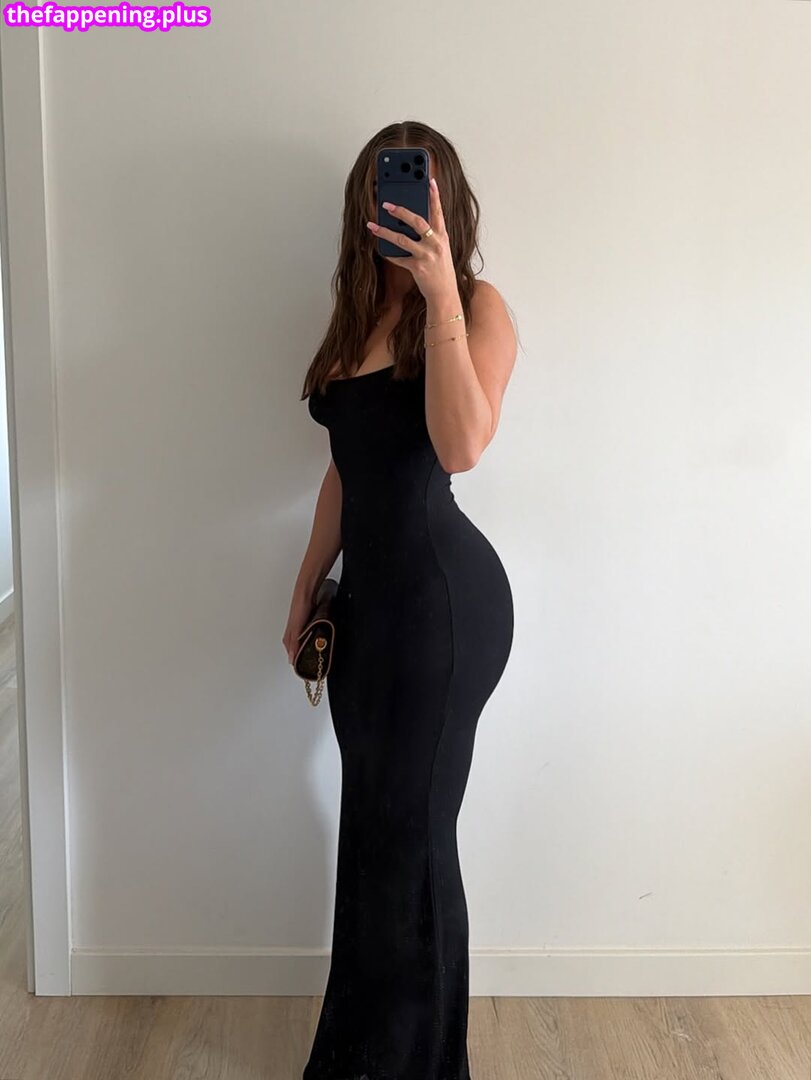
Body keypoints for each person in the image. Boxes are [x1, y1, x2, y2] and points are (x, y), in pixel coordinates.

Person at [284, 120, 516, 1080]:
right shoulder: (351, 316)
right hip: (369, 608)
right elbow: (345, 469)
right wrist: (306, 584)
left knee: (415, 837)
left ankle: (426, 1066)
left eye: (415, 190)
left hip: (442, 611)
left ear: (443, 202)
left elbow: (462, 445)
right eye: (382, 191)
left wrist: (439, 297)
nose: (398, 205)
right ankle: (359, 1056)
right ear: (362, 204)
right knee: (371, 830)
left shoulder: (476, 305)